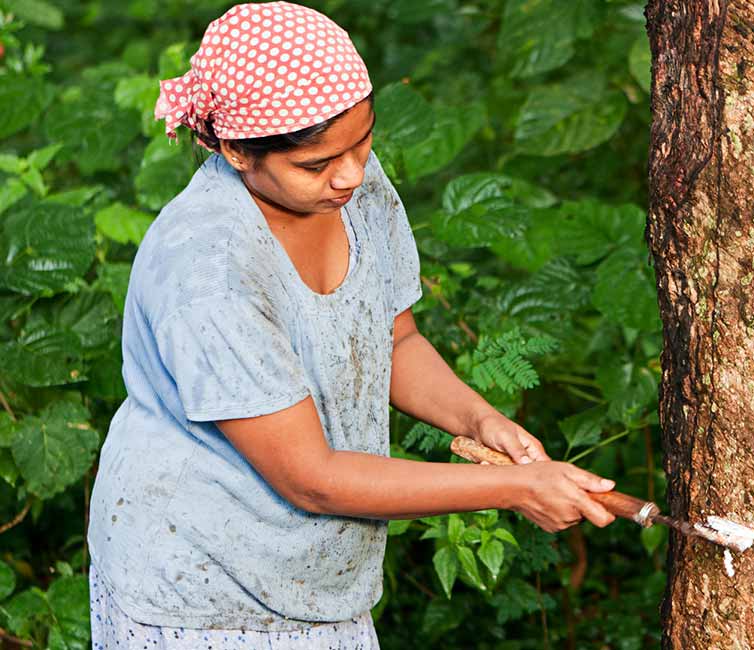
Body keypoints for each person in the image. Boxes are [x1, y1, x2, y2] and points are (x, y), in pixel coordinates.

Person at [85, 2, 616, 647]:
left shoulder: (352, 182)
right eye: (316, 164)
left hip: (316, 576)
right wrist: (515, 487)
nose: (351, 175)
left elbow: (395, 339)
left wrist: (483, 422)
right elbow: (311, 478)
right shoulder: (209, 269)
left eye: (362, 143)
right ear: (234, 149)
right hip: (200, 589)